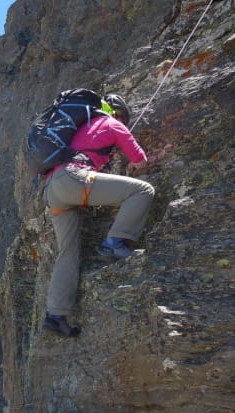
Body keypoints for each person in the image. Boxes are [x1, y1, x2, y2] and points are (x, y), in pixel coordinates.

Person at [42, 93, 155, 337]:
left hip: (54, 189)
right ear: (118, 113)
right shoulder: (112, 123)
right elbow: (139, 160)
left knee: (68, 252)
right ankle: (114, 242)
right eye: (124, 119)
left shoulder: (82, 127)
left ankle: (55, 314)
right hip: (72, 179)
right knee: (143, 191)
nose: (123, 122)